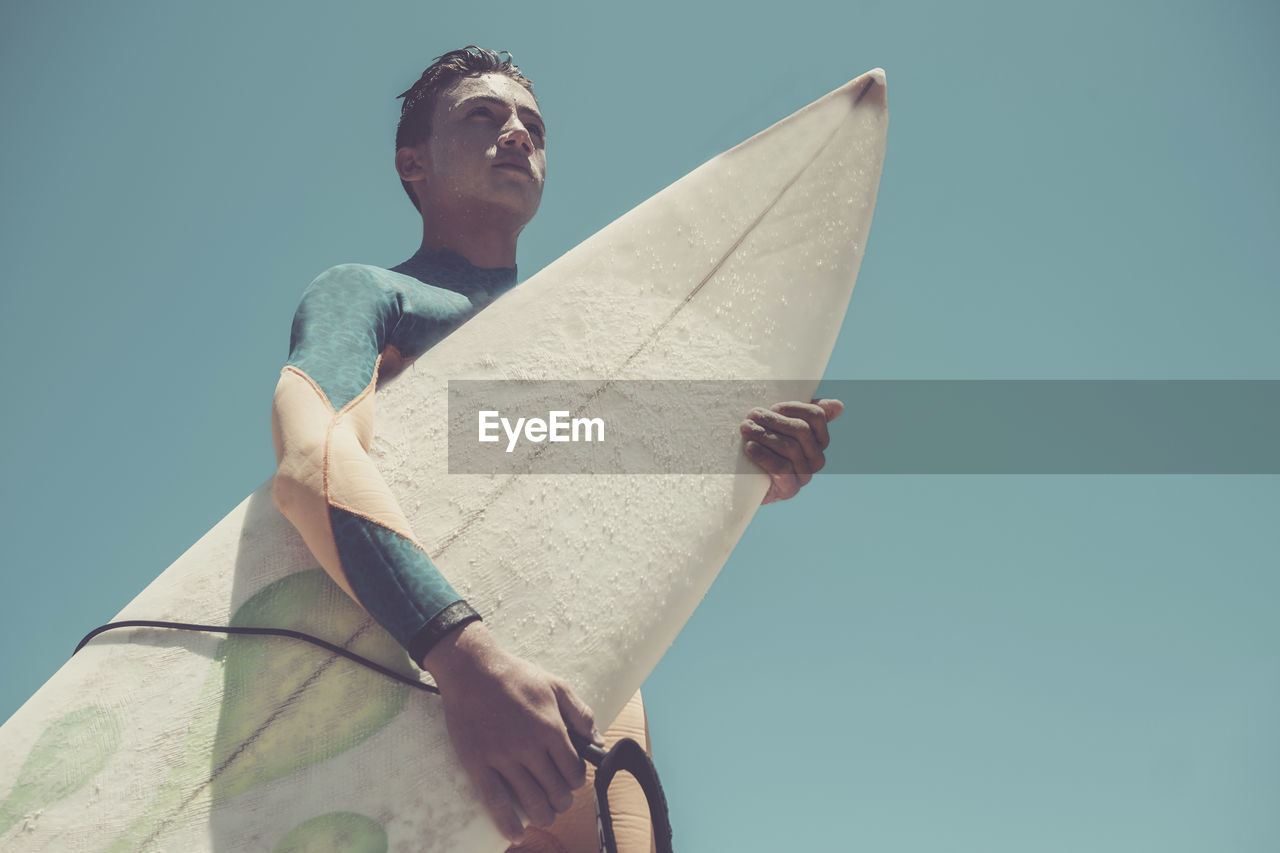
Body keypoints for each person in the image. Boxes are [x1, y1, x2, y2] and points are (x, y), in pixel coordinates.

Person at [270, 47, 844, 852]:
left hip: (600, 705)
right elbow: (311, 464)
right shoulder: (371, 295)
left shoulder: (584, 349)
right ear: (414, 162)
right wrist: (462, 657)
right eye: (483, 116)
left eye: (531, 124)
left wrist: (756, 475)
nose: (516, 133)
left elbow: (612, 519)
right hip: (431, 684)